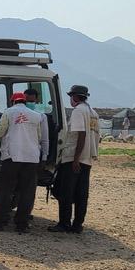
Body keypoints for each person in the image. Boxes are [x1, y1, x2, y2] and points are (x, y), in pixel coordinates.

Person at [0, 89, 49, 233]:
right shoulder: (37, 116)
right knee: (27, 192)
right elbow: (42, 139)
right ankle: (22, 224)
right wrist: (44, 158)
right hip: (31, 158)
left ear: (12, 101)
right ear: (25, 101)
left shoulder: (9, 112)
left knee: (5, 190)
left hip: (12, 157)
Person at [51, 85, 100, 234]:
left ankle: (64, 223)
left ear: (75, 97)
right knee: (81, 194)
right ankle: (78, 224)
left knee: (66, 192)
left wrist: (76, 159)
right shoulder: (93, 113)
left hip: (74, 158)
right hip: (87, 159)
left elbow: (81, 134)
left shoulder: (78, 111)